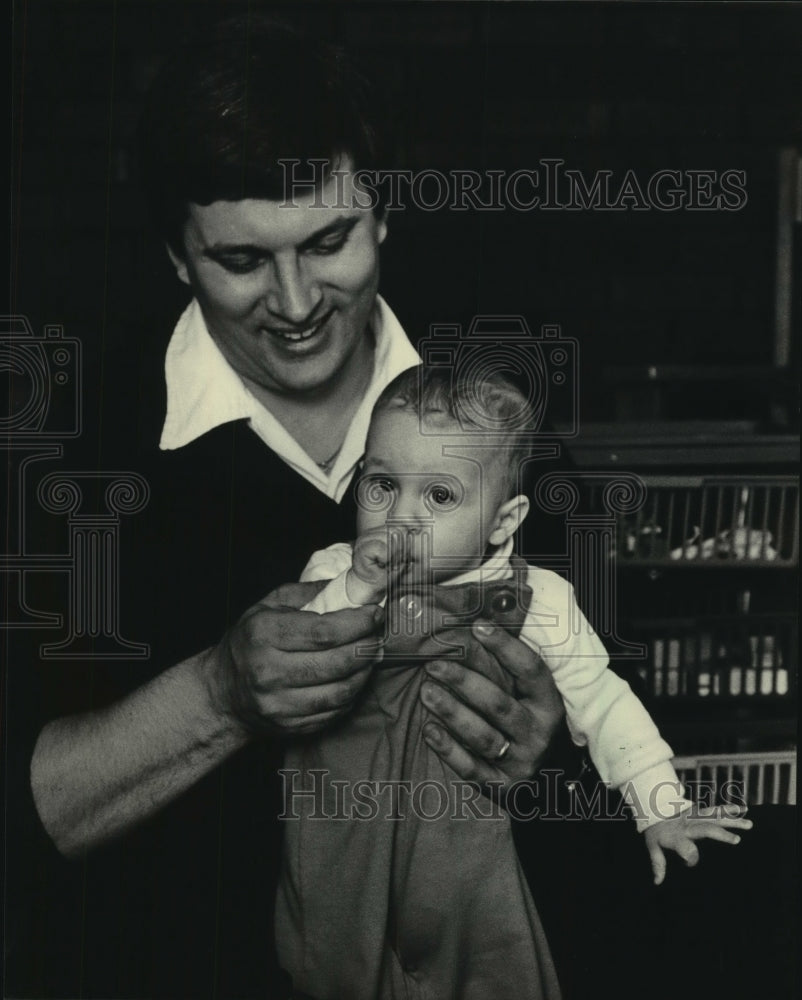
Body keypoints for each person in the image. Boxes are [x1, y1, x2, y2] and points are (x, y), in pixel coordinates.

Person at [15, 17, 565, 999]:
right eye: (239, 260)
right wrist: (222, 696)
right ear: (178, 257)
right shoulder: (67, 445)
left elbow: (610, 743)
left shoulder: (498, 402)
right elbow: (33, 811)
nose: (298, 299)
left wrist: (542, 743)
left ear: (383, 214)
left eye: (327, 240)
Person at [278, 366, 753, 999]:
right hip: (344, 841)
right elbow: (300, 658)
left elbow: (604, 703)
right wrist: (358, 590)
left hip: (465, 855)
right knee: (326, 968)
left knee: (495, 971)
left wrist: (660, 807)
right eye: (383, 483)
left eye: (439, 497)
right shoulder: (334, 570)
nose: (400, 515)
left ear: (503, 522)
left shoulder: (538, 599)